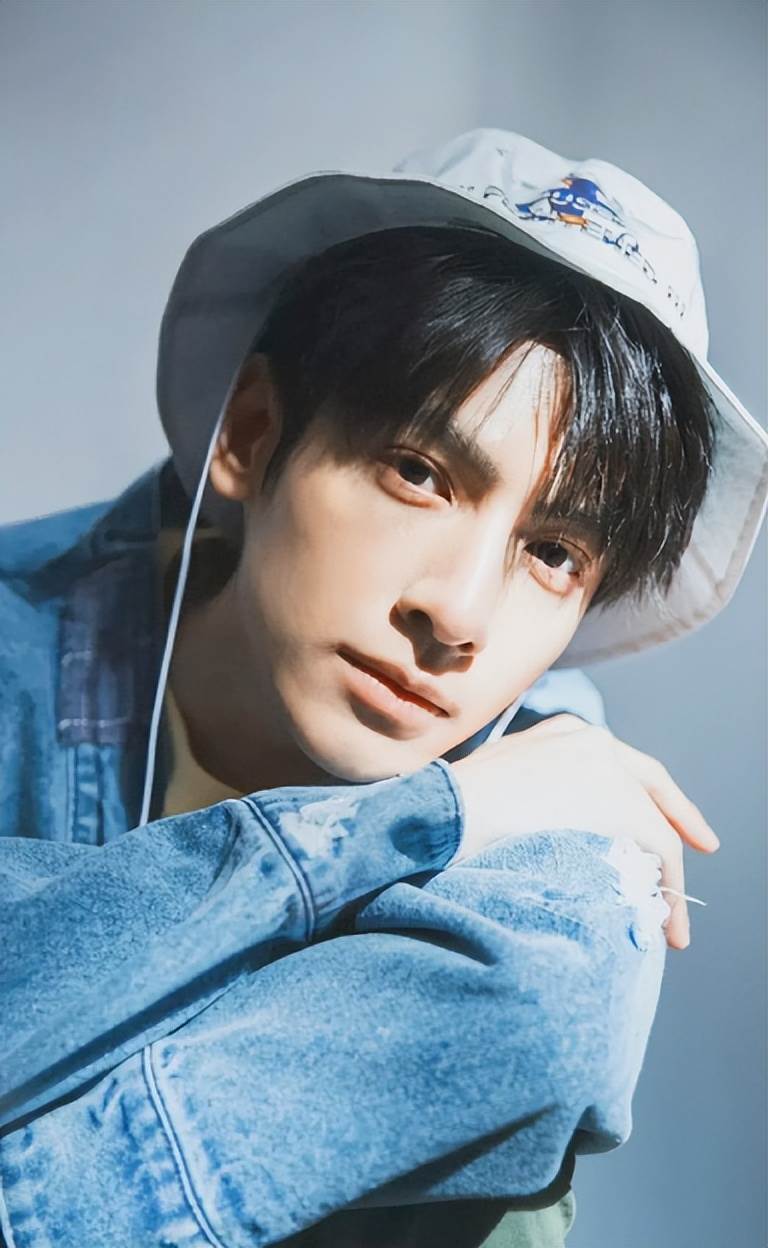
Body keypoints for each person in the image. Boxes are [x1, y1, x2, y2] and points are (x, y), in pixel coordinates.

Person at [0, 129, 765, 1248]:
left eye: (554, 554)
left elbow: (543, 1026)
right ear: (251, 434)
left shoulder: (566, 799)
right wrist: (431, 818)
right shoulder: (19, 635)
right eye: (419, 472)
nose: (458, 614)